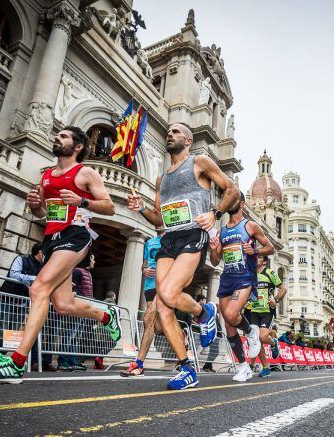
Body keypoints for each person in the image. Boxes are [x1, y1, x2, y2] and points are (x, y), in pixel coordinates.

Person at [0, 126, 121, 383]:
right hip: (51, 240)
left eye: (64, 136)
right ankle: (106, 316)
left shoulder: (84, 172)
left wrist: (81, 202)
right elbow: (43, 215)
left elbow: (109, 207)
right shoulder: (46, 176)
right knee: (63, 305)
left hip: (76, 235)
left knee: (38, 289)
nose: (57, 138)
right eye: (58, 135)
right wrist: (36, 207)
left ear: (77, 146)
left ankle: (17, 362)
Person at [127, 122, 239, 390]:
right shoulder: (161, 179)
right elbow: (159, 217)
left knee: (167, 292)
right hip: (170, 238)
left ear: (188, 140)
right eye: (169, 132)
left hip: (193, 235)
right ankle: (187, 367)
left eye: (176, 132)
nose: (170, 134)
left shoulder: (198, 162)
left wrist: (215, 214)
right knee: (164, 306)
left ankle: (203, 311)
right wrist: (142, 208)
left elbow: (231, 189)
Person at [209, 191, 275, 382]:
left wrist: (255, 250)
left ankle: (250, 332)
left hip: (244, 276)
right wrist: (214, 248)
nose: (230, 202)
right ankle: (243, 366)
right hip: (227, 278)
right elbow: (215, 261)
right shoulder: (222, 231)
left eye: (235, 200)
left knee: (231, 314)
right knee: (228, 323)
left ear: (242, 204)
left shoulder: (250, 225)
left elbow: (270, 247)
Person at [121, 230, 163, 377]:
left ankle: (138, 364)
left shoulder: (172, 240)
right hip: (149, 286)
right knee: (157, 327)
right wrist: (145, 270)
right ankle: (182, 338)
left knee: (148, 319)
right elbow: (143, 265)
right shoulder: (149, 242)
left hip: (163, 285)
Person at [247, 255, 284, 377]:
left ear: (264, 262)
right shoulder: (251, 274)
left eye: (259, 258)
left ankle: (273, 343)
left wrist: (276, 299)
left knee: (263, 337)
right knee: (255, 340)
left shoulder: (270, 273)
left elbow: (282, 289)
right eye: (255, 258)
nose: (256, 259)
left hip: (267, 311)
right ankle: (265, 368)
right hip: (253, 311)